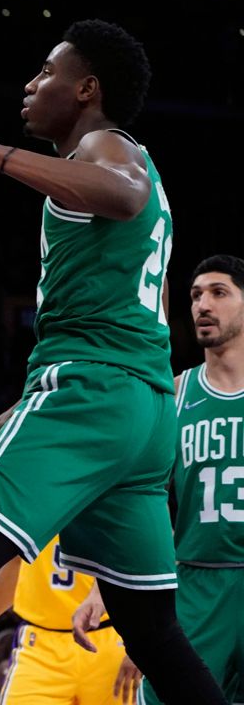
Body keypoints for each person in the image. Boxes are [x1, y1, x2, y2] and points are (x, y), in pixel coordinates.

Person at [0, 19, 225, 705]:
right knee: (151, 630)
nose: (30, 83)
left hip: (92, 387)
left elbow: (123, 192)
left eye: (47, 72)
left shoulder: (108, 147)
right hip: (142, 406)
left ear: (87, 90)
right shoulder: (125, 165)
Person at [73, 255, 244, 704]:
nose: (203, 304)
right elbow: (137, 500)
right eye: (195, 296)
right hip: (196, 586)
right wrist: (100, 586)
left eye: (218, 293)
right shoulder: (174, 397)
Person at [0, 536, 139, 704]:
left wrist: (144, 641)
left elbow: (154, 554)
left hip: (113, 637)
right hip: (41, 642)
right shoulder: (28, 512)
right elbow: (16, 564)